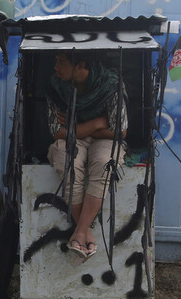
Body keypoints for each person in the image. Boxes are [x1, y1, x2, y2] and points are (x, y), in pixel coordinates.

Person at [45, 51, 128, 259]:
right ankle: (85, 231)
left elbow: (121, 131)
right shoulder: (56, 87)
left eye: (61, 61)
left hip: (104, 139)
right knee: (65, 159)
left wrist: (77, 127)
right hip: (79, 137)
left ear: (81, 65)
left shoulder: (110, 86)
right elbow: (57, 131)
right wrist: (98, 122)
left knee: (104, 162)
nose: (55, 67)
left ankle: (79, 232)